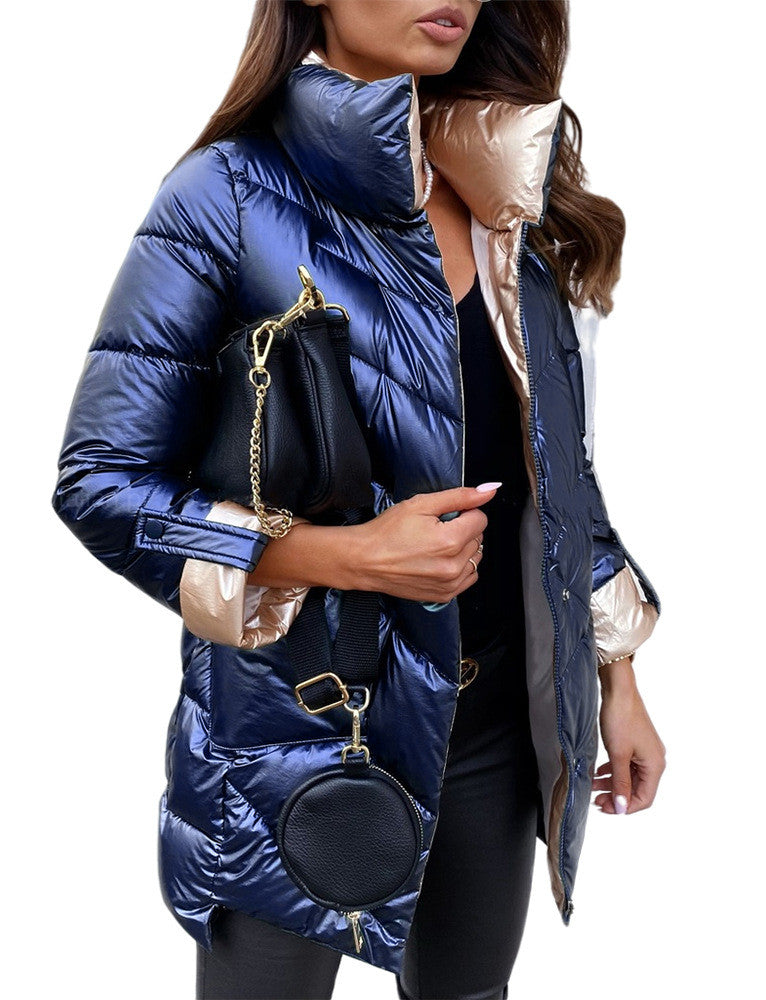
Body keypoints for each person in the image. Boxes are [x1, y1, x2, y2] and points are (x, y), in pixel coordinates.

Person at [51, 2, 667, 998]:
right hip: (293, 734)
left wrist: (616, 670)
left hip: (492, 726)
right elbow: (101, 481)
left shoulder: (503, 191)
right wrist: (345, 555)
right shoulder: (226, 195)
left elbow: (556, 472)